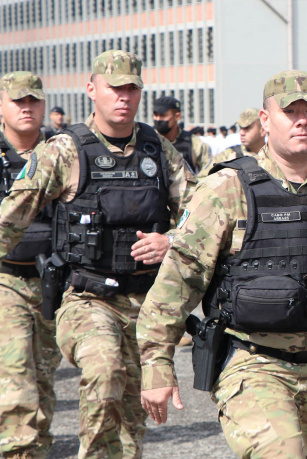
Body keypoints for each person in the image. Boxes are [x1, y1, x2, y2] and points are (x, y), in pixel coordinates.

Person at [136, 70, 307, 457]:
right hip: (252, 363)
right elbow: (177, 280)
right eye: (290, 112)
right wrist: (156, 364)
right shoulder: (226, 190)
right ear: (266, 121)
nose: (301, 120)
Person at [0, 50, 196, 458]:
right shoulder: (65, 151)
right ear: (92, 90)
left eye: (131, 88)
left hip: (145, 302)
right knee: (104, 370)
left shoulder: (158, 150)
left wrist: (172, 240)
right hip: (86, 298)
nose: (123, 97)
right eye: (114, 88)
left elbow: (203, 217)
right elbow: (11, 217)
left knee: (130, 417)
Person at [0, 71, 60, 459]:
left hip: (54, 283)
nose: (27, 108)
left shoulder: (63, 154)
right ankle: (18, 451)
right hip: (5, 279)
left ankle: (35, 447)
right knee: (15, 372)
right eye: (18, 101)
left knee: (42, 377)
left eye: (33, 101)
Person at [152, 96, 213, 174]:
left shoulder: (193, 142)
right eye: (156, 115)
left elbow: (208, 171)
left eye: (163, 115)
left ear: (177, 116)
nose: (158, 119)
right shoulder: (146, 138)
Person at [202, 108, 265, 175]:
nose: (241, 133)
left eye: (247, 128)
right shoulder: (229, 155)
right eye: (240, 128)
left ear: (262, 130)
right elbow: (203, 178)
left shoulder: (274, 155)